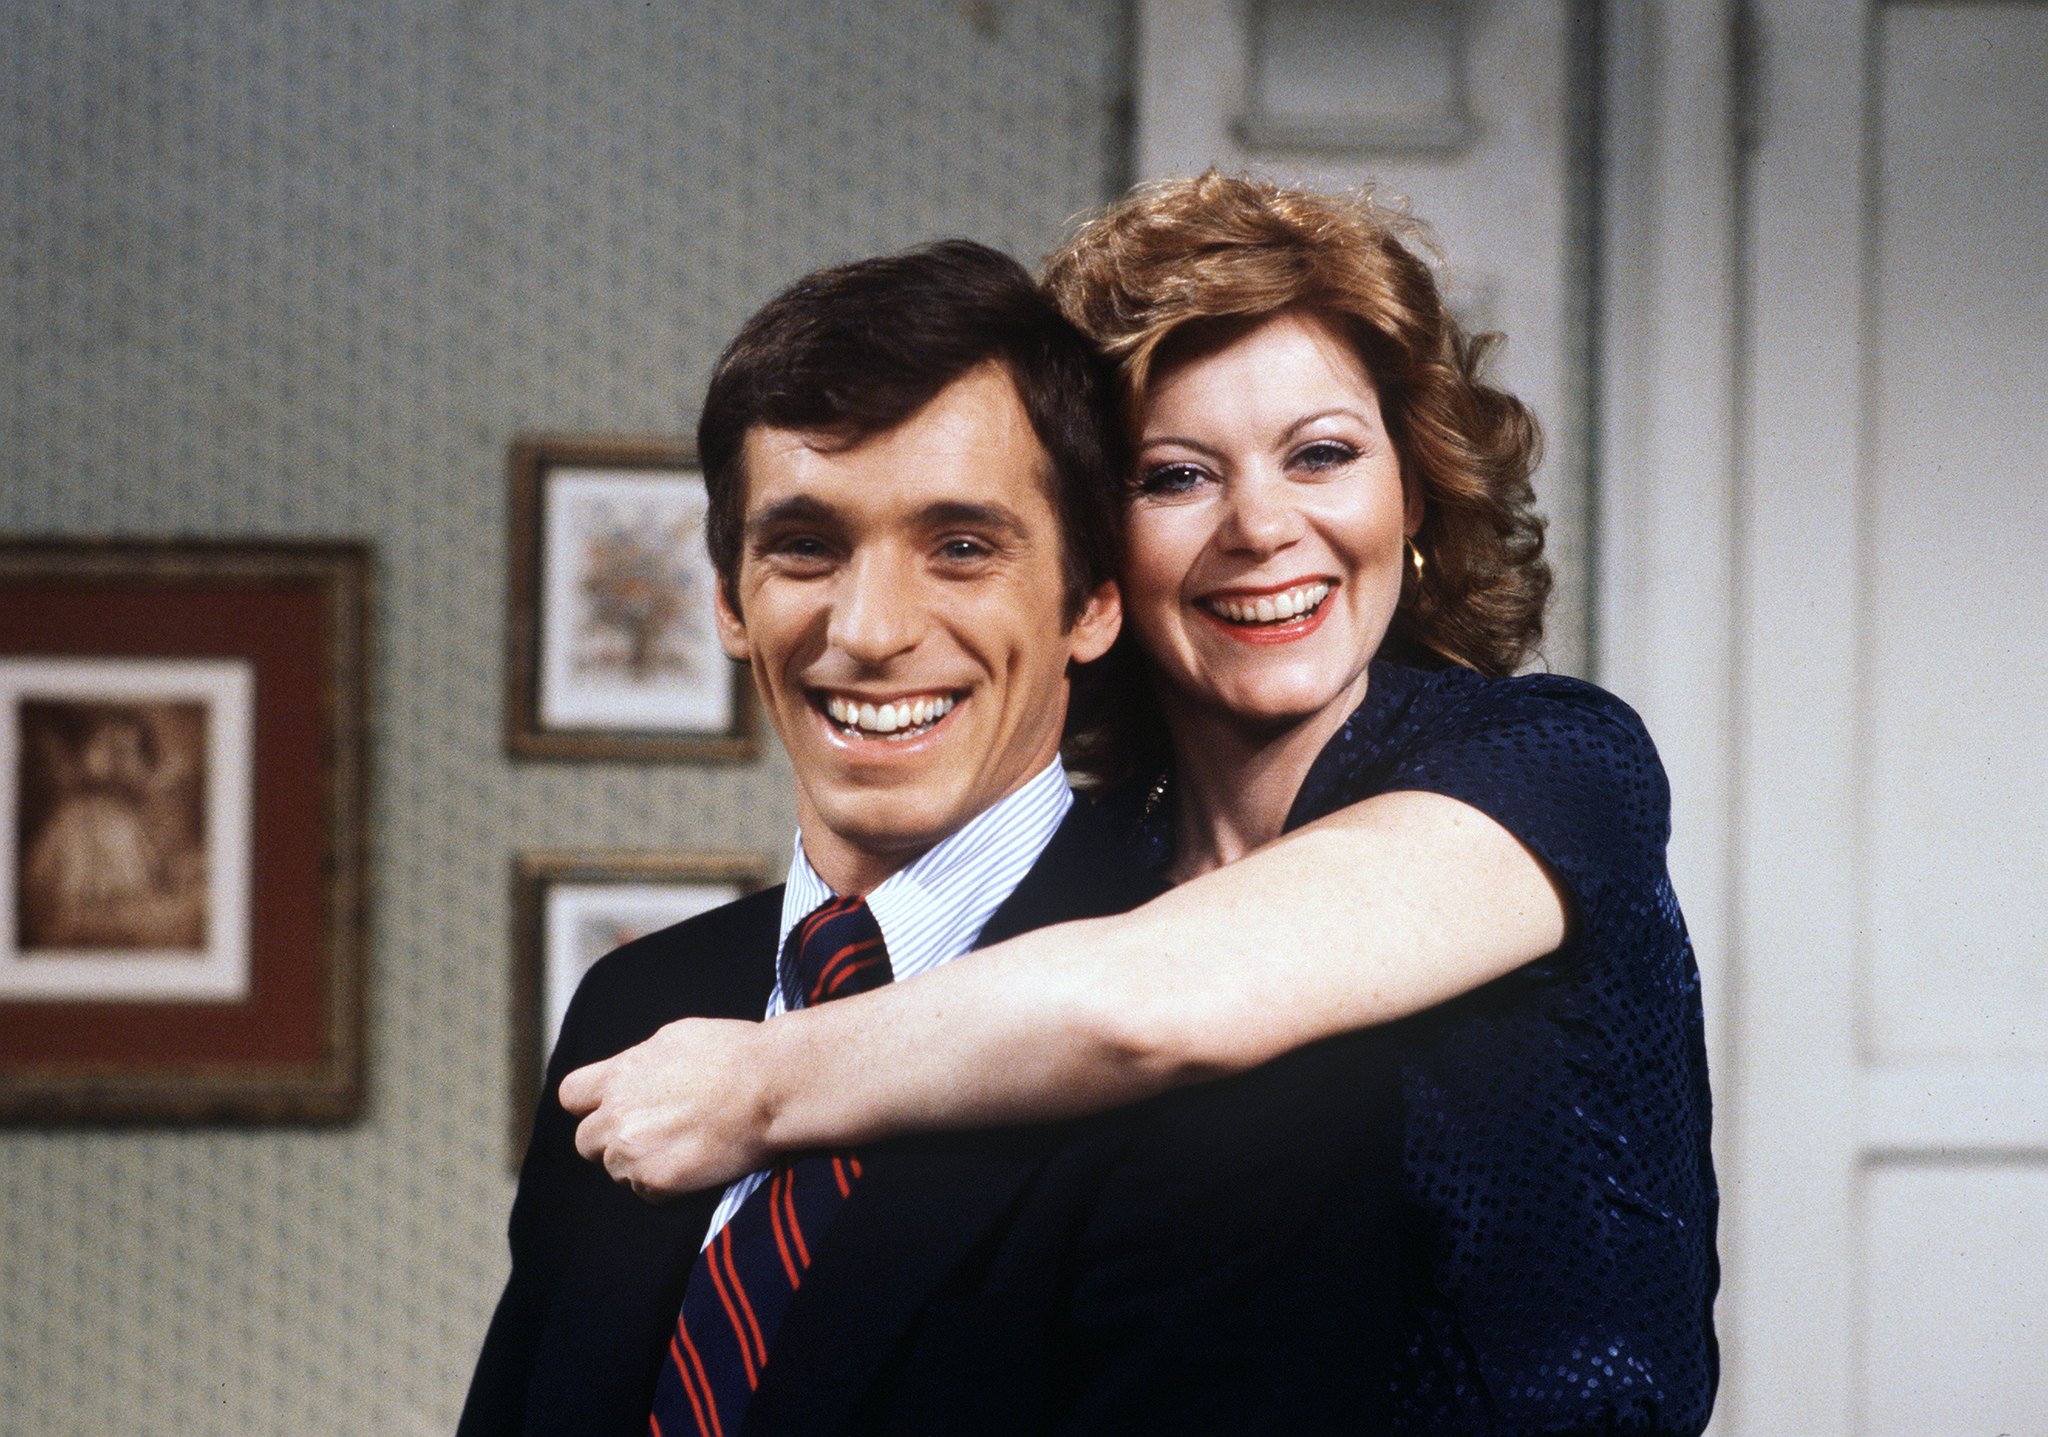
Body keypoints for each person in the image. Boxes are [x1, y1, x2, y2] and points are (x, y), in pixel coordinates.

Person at [563, 175, 1720, 1435]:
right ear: (1094, 554)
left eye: (1321, 455)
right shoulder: (1094, 861)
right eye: (1175, 477)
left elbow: (1162, 1002)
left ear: (1415, 491)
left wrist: (757, 1082)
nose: (1260, 527)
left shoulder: (1551, 761)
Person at [461, 237, 1409, 1437]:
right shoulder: (636, 1002)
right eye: (806, 546)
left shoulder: (1238, 1047)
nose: (869, 630)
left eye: (960, 547)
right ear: (729, 599)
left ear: (1089, 604)